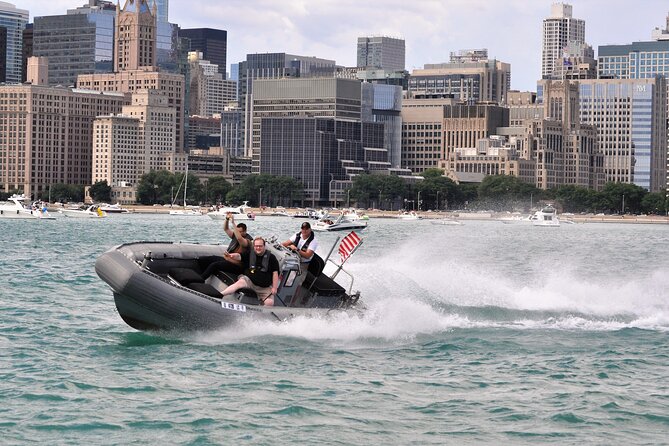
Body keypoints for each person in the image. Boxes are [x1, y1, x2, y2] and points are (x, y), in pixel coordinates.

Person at [221, 237, 280, 306]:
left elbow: (275, 273)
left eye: (260, 246)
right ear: (254, 246)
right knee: (239, 283)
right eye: (256, 246)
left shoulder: (272, 258)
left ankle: (260, 315)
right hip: (249, 281)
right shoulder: (249, 253)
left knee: (269, 302)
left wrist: (274, 288)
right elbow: (239, 256)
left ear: (264, 246)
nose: (258, 248)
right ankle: (220, 294)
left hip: (264, 287)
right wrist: (231, 255)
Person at [201, 213, 253, 277]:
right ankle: (200, 275)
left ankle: (201, 279)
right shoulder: (235, 236)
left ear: (245, 231)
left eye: (240, 232)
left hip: (238, 266)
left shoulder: (248, 241)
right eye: (237, 231)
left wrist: (233, 223)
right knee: (203, 259)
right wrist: (227, 218)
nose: (238, 233)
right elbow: (226, 229)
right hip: (228, 259)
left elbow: (240, 239)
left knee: (214, 265)